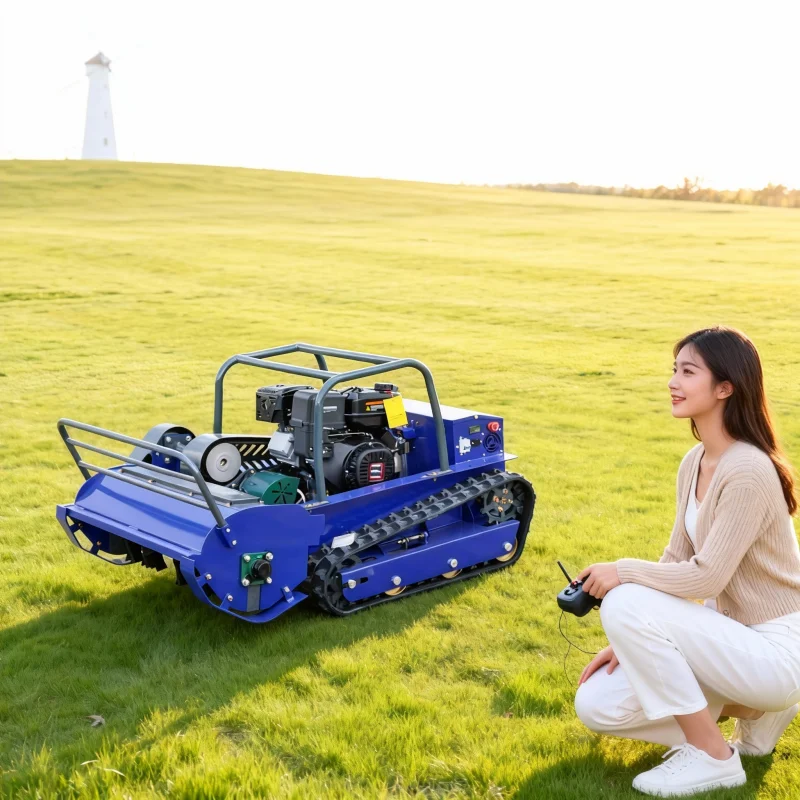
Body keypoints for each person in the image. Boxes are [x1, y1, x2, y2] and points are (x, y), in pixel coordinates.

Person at [572, 326, 800, 797]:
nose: (673, 382)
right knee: (597, 706)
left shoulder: (750, 470)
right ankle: (752, 710)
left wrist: (622, 577)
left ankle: (713, 757)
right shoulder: (695, 461)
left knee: (624, 598)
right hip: (730, 642)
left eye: (688, 371)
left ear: (725, 387)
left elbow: (708, 575)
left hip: (778, 647)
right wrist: (631, 641)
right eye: (674, 370)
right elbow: (678, 558)